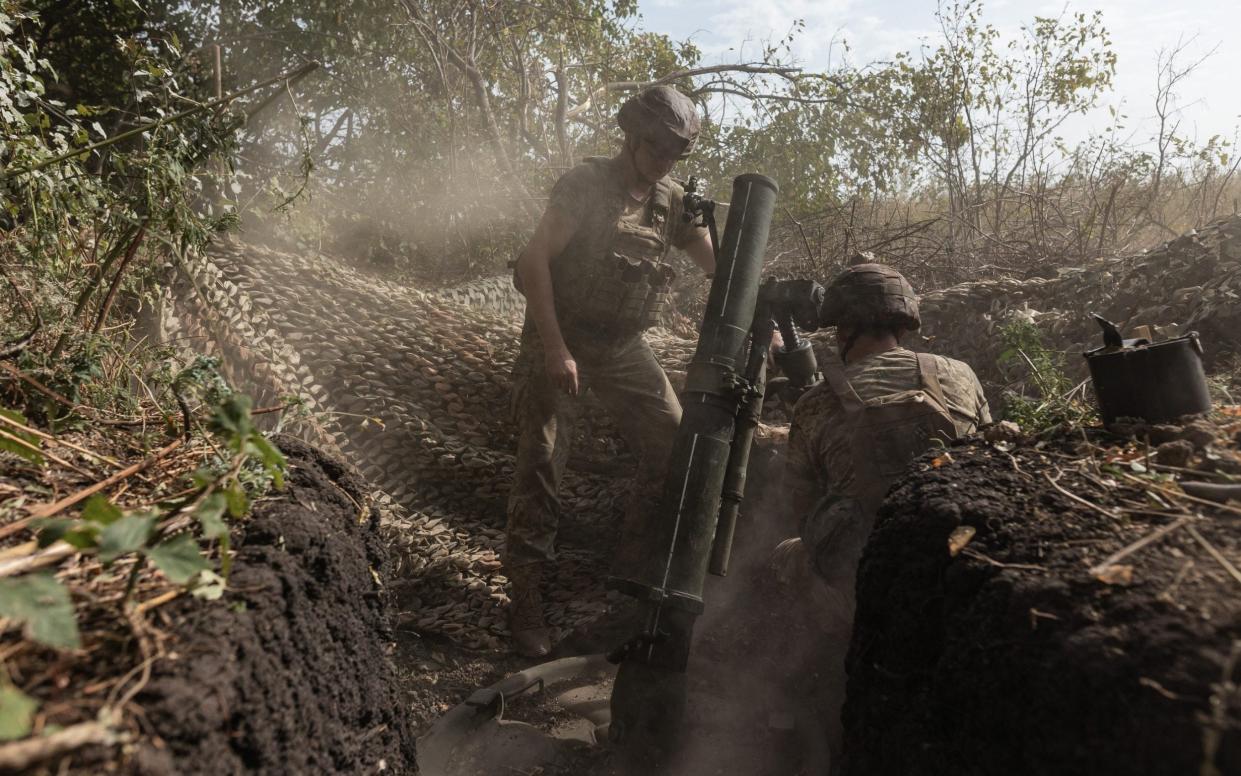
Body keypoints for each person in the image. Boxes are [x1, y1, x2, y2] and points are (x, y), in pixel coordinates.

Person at [505, 85, 716, 657]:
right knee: (544, 459)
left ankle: (631, 568)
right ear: (632, 136)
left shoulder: (671, 201)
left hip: (621, 345)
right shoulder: (586, 185)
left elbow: (716, 265)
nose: (664, 161)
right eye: (656, 148)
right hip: (563, 335)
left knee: (675, 442)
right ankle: (525, 601)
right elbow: (532, 262)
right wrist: (554, 349)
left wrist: (760, 306)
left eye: (676, 153)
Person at [776, 260, 992, 620]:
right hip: (962, 554)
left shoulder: (815, 402)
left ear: (843, 331)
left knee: (787, 554)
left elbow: (803, 506)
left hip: (867, 579)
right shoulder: (960, 374)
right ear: (902, 325)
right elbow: (991, 456)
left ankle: (817, 662)